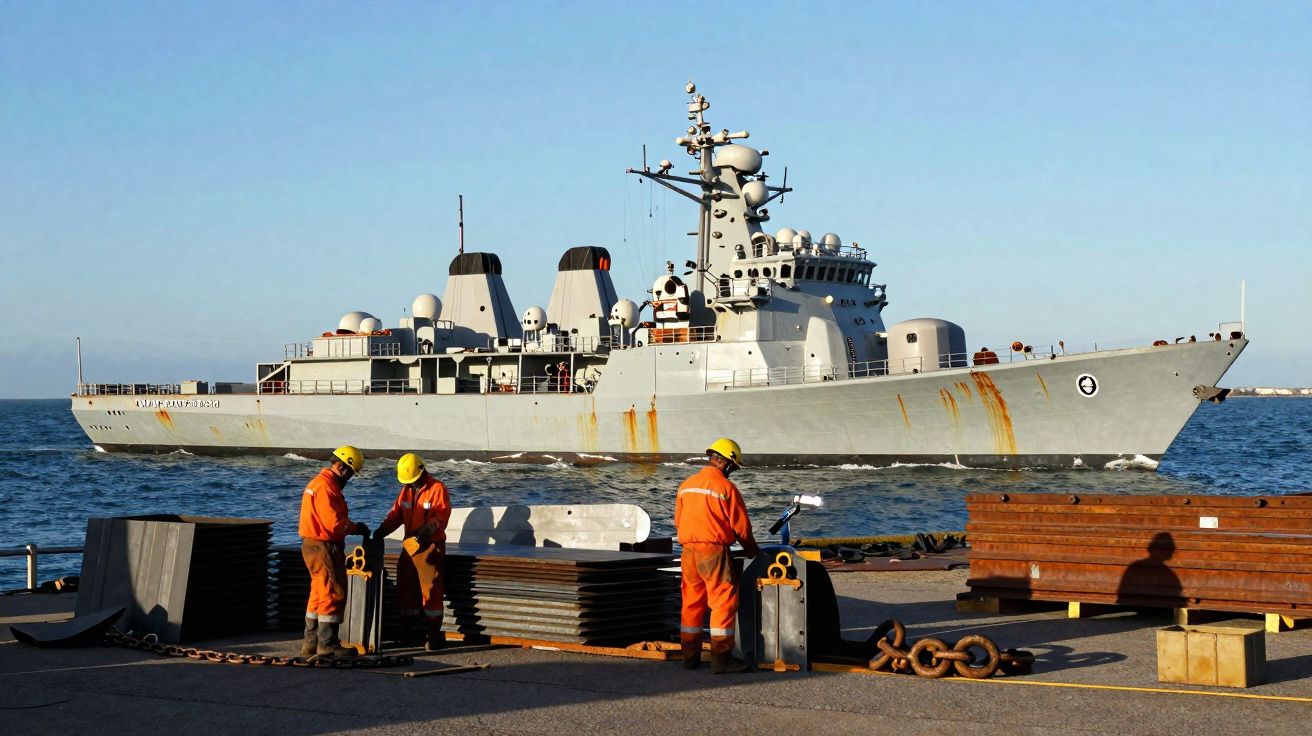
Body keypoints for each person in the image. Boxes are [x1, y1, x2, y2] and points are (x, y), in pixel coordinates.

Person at [675, 437, 761, 674]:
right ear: (726, 463)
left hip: (688, 552)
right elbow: (742, 528)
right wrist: (752, 551)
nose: (732, 472)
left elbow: (678, 521)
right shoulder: (726, 488)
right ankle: (721, 660)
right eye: (733, 467)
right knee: (722, 603)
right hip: (713, 553)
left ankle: (689, 658)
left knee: (691, 603)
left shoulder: (686, 485)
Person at [373, 453, 452, 651]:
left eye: (412, 481)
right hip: (410, 546)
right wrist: (382, 530)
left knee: (431, 590)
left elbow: (441, 516)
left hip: (430, 546)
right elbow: (396, 514)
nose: (410, 484)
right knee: (406, 586)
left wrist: (426, 530)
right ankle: (407, 631)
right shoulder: (406, 491)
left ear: (421, 472)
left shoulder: (437, 489)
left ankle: (433, 635)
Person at [298, 445, 370, 659]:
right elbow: (334, 524)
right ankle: (328, 644)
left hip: (311, 544)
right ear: (342, 467)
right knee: (332, 591)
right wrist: (356, 527)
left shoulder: (317, 483)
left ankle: (311, 642)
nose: (349, 478)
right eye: (351, 473)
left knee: (318, 593)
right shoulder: (327, 487)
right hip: (324, 546)